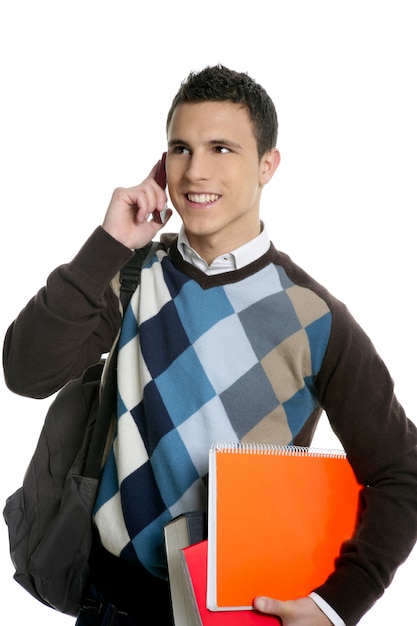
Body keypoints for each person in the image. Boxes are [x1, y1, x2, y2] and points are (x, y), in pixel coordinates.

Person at [3, 64, 417, 626]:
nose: (195, 170)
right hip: (108, 606)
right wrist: (109, 243)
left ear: (268, 165)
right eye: (180, 148)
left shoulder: (315, 317)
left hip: (230, 614)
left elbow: (403, 470)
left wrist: (335, 606)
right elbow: (26, 371)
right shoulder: (130, 274)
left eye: (222, 148)